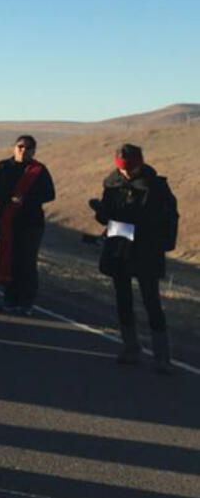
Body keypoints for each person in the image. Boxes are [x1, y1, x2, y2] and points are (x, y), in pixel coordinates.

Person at [90, 144, 179, 374]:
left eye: (130, 168)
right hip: (120, 246)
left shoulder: (157, 187)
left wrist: (160, 240)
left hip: (146, 249)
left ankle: (162, 357)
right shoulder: (112, 184)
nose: (126, 173)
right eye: (122, 169)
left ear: (140, 163)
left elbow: (167, 217)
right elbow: (107, 217)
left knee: (151, 301)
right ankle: (130, 348)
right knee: (123, 299)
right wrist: (101, 212)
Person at [0, 135, 56, 315]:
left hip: (31, 224)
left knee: (27, 263)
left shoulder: (38, 170)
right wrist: (8, 197)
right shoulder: (2, 167)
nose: (24, 150)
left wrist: (27, 199)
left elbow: (49, 194)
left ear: (34, 151)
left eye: (29, 148)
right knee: (9, 259)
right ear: (14, 147)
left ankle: (27, 302)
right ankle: (10, 299)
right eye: (21, 146)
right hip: (7, 221)